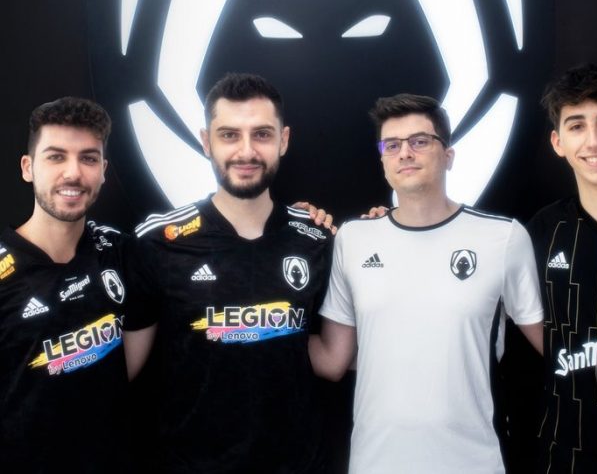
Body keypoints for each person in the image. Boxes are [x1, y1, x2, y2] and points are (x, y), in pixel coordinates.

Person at [309, 93, 544, 474]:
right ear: (382, 159)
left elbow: (556, 347)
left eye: (420, 141)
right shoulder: (353, 239)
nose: (405, 153)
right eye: (392, 145)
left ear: (448, 155)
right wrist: (259, 327)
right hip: (375, 462)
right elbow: (334, 360)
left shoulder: (503, 238)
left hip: (474, 463)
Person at [123, 73, 334, 473]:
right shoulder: (157, 241)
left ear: (284, 140)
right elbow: (120, 372)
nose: (246, 151)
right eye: (229, 135)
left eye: (262, 134)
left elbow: (338, 354)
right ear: (207, 142)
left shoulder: (317, 239)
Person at [0, 97, 129, 473]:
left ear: (103, 170)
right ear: (28, 168)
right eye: (56, 157)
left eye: (88, 158)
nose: (73, 173)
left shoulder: (123, 252)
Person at [528, 64, 597, 472]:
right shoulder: (541, 232)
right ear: (558, 142)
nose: (594, 140)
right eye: (577, 126)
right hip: (567, 457)